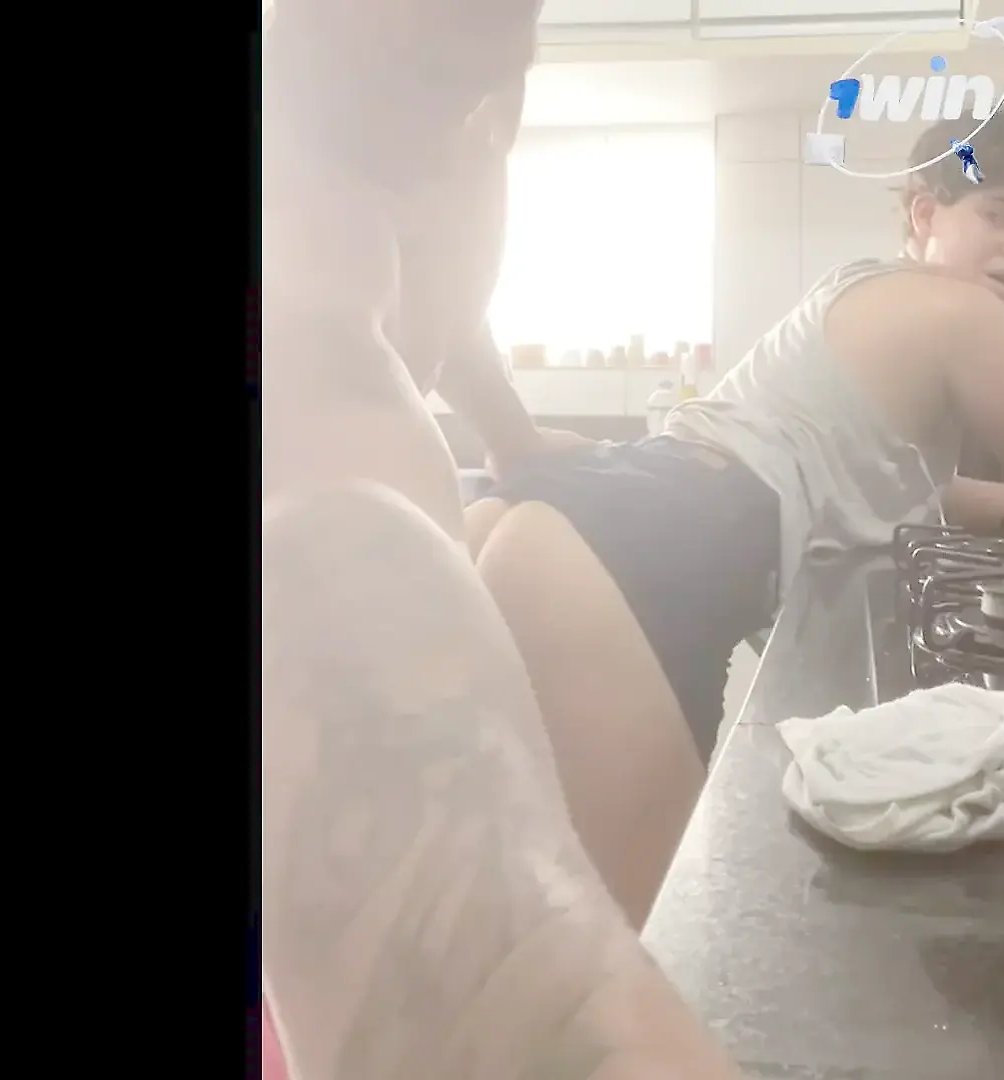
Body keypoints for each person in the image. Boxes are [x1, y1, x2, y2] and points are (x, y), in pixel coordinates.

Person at [465, 106, 1004, 885]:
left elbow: (927, 486)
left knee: (506, 896)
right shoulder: (966, 315)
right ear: (925, 212)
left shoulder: (859, 289)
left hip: (587, 513)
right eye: (996, 213)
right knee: (632, 923)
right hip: (641, 547)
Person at [261, 2, 743, 1077]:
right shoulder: (341, 508)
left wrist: (509, 435)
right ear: (475, 126)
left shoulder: (353, 343)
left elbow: (429, 312)